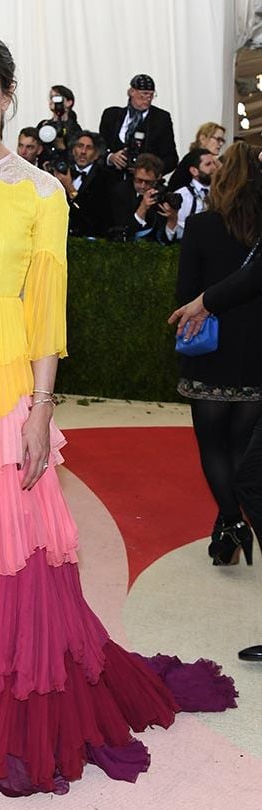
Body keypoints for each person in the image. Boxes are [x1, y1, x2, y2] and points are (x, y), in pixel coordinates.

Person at [0, 30, 236, 797]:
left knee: (3, 547)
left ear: (7, 96)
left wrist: (40, 409)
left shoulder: (39, 192)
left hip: (0, 384)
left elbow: (43, 314)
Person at [169, 252, 262, 660]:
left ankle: (230, 523)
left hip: (221, 359)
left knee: (249, 476)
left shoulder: (207, 224)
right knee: (251, 476)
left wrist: (203, 302)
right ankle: (232, 523)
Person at [175, 141, 262, 566]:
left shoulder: (202, 226)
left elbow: (184, 294)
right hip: (255, 356)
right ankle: (225, 537)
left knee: (213, 447)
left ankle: (232, 519)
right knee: (238, 448)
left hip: (209, 353)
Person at [99, 74, 178, 179]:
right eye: (144, 94)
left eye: (151, 95)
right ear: (131, 92)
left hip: (145, 182)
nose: (148, 99)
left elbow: (171, 157)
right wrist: (110, 157)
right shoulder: (112, 116)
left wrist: (150, 171)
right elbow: (99, 148)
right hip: (112, 179)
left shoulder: (161, 119)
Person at [53, 130, 113, 238]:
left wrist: (70, 188)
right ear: (73, 150)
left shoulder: (105, 178)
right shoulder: (62, 171)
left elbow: (95, 216)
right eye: (80, 146)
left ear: (96, 154)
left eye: (89, 148)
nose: (83, 151)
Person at [109, 152, 174, 242]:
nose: (142, 186)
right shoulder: (120, 191)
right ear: (134, 174)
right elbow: (121, 232)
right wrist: (142, 209)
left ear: (158, 178)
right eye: (138, 180)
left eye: (148, 182)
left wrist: (172, 219)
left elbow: (167, 239)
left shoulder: (163, 194)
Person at [164, 148, 218, 242]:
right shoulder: (182, 196)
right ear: (194, 171)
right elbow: (175, 233)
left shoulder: (221, 193)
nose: (214, 168)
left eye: (214, 163)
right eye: (208, 164)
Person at [168, 122, 226, 190]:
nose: (221, 143)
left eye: (222, 140)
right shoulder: (191, 159)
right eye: (218, 139)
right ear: (203, 139)